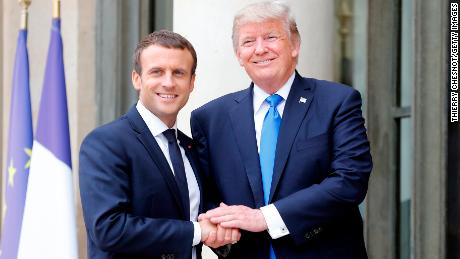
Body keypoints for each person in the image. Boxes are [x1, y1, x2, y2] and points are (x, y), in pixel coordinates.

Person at [192, 1, 373, 259]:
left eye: (271, 37)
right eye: (248, 42)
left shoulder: (337, 101)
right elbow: (206, 195)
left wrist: (264, 218)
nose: (260, 49)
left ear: (295, 45)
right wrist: (219, 231)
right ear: (238, 55)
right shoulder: (209, 118)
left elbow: (350, 181)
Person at [79, 30, 238, 259]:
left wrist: (223, 232)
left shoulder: (191, 148)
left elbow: (201, 216)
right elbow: (109, 229)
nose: (168, 82)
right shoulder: (106, 143)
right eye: (157, 72)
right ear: (137, 79)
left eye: (179, 73)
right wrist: (197, 231)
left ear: (192, 82)